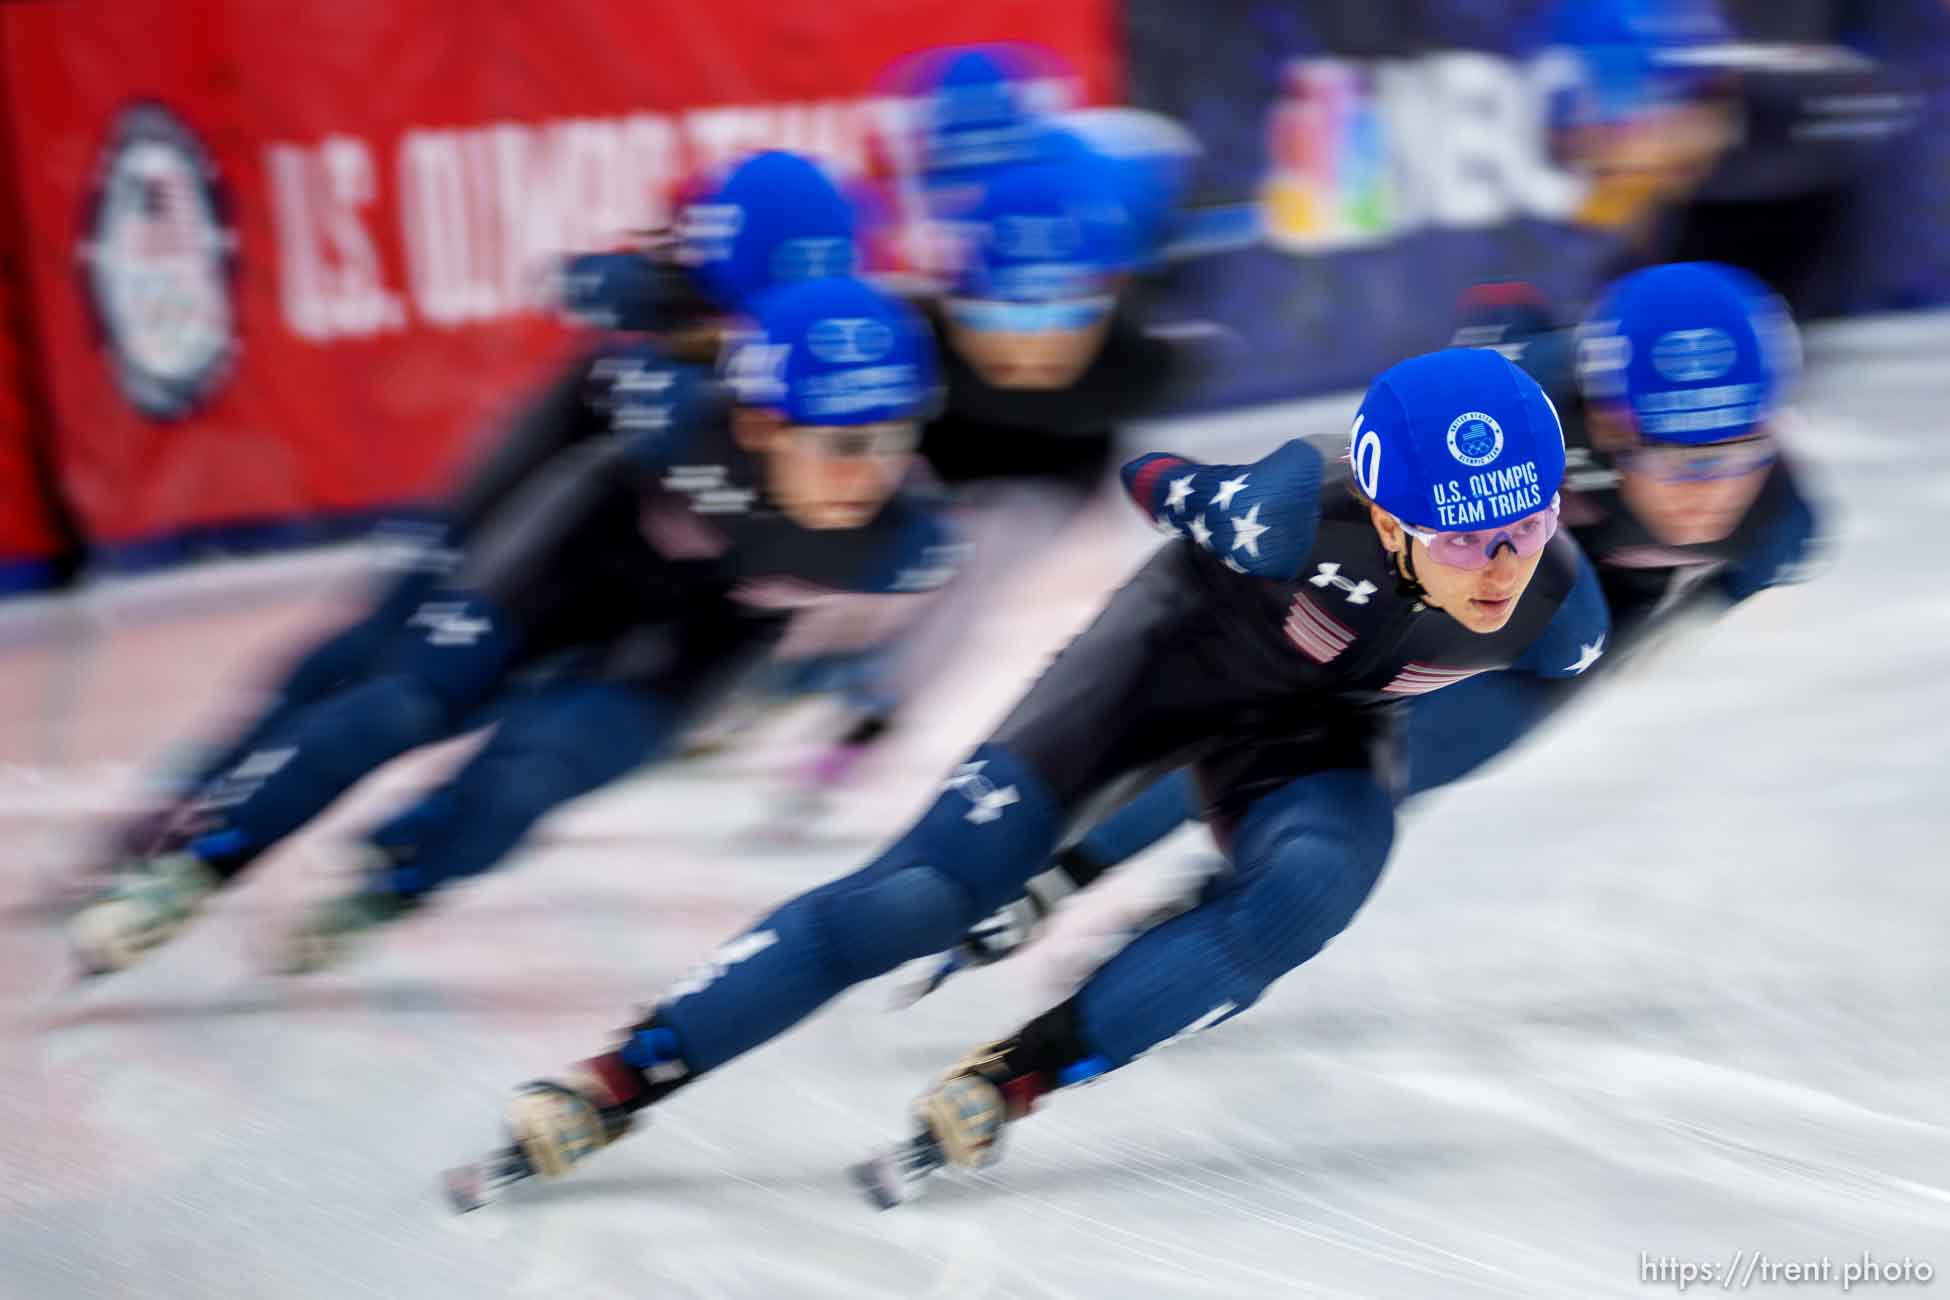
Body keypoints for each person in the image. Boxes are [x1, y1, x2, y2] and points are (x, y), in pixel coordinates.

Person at [444, 343, 1611, 1210]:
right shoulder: (1298, 510)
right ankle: (623, 1072)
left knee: (1314, 887)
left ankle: (1017, 1075)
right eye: (1461, 539)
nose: (1499, 564)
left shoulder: (1563, 609)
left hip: (1310, 729)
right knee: (923, 896)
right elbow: (1149, 472)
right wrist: (1209, 495)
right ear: (1391, 519)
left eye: (1524, 526)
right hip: (1158, 665)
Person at [923, 260, 1822, 998]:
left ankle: (1219, 902)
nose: (1705, 489)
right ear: (1610, 415)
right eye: (1669, 454)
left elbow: (1696, 608)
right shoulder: (1539, 388)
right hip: (1427, 572)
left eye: (1737, 453)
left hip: (1556, 626)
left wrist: (1619, 651)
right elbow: (1409, 428)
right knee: (1266, 721)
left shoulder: (1782, 522)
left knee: (1391, 775)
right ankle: (1063, 870)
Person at [68, 272, 958, 975]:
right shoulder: (673, 414)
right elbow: (584, 343)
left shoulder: (907, 543)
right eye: (844, 443)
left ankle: (399, 882)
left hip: (705, 634)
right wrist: (457, 535)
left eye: (894, 439)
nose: (871, 471)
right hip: (580, 556)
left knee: (536, 771)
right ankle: (196, 867)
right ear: (761, 424)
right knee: (400, 706)